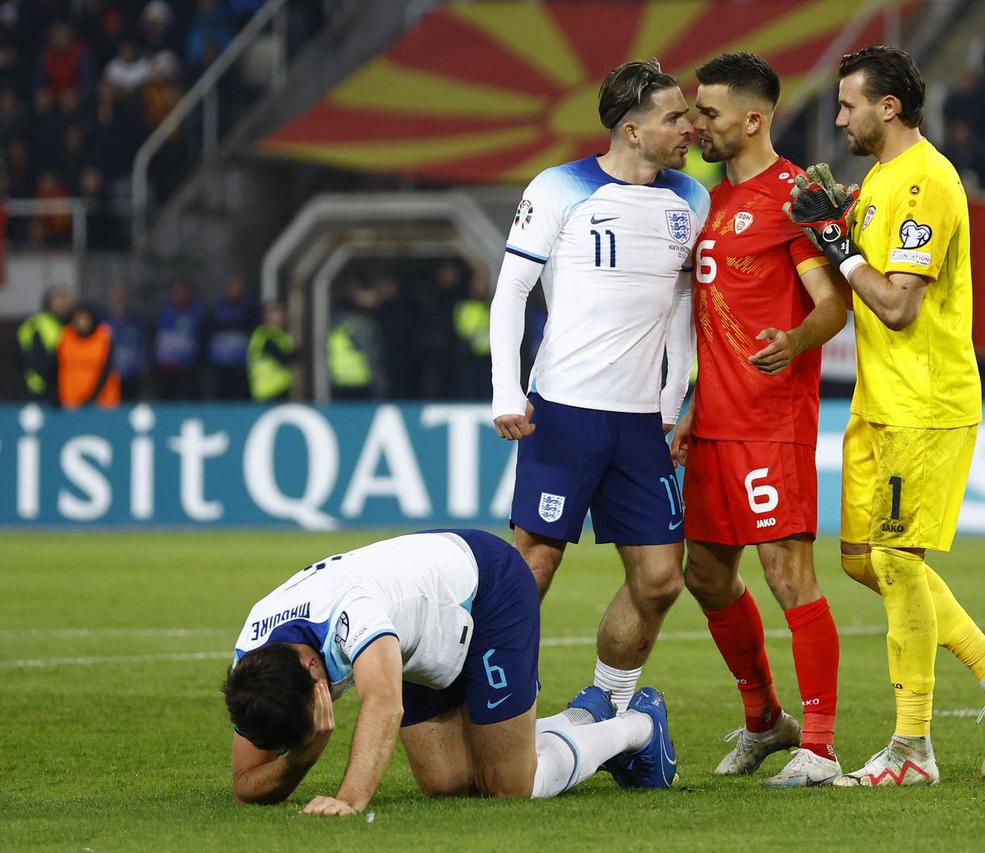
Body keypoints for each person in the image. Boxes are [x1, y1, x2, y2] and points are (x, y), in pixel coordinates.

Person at [784, 45, 985, 786]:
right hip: (878, 404)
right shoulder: (876, 181)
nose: (839, 117)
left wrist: (838, 248)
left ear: (888, 107)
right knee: (863, 560)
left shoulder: (925, 181)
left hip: (924, 404)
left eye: (847, 105)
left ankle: (912, 748)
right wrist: (841, 227)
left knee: (899, 561)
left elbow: (898, 306)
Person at [489, 59, 707, 719]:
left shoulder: (692, 199)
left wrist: (674, 404)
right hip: (563, 411)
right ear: (632, 129)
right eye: (674, 117)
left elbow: (681, 306)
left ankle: (605, 703)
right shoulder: (560, 188)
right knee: (533, 568)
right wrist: (505, 389)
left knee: (661, 579)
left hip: (641, 423)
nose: (689, 128)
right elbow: (510, 293)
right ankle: (490, 702)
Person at [669, 53, 848, 787]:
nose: (694, 124)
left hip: (772, 417)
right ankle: (764, 717)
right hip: (711, 419)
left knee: (787, 573)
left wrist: (796, 341)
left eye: (707, 113)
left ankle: (820, 744)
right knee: (705, 573)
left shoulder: (793, 196)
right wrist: (688, 403)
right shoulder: (700, 201)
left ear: (753, 118)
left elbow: (833, 303)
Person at [223, 529, 677, 814]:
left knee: (510, 786)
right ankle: (585, 715)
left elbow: (383, 704)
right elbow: (247, 787)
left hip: (484, 589)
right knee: (448, 785)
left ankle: (638, 726)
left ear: (310, 665)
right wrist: (304, 751)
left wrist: (347, 800)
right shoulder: (253, 669)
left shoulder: (350, 616)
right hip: (421, 638)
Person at [57, 304, 120, 409]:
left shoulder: (103, 337)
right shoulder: (65, 336)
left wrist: (92, 398)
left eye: (85, 319)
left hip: (103, 404)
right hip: (71, 403)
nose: (82, 323)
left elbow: (107, 370)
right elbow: (56, 367)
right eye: (78, 319)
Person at [17, 286, 71, 404]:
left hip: (65, 387)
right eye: (57, 301)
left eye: (65, 301)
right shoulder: (38, 324)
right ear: (48, 303)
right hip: (40, 388)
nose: (62, 305)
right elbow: (32, 358)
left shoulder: (70, 324)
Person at [208, 274, 257, 400]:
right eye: (232, 287)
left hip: (241, 361)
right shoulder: (219, 307)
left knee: (240, 390)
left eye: (237, 287)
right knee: (223, 390)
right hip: (222, 360)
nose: (234, 290)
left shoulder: (250, 307)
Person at [247, 301, 296, 403]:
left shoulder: (280, 335)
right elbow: (283, 359)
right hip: (267, 390)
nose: (281, 317)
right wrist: (299, 353)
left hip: (280, 387)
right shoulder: (264, 335)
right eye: (277, 314)